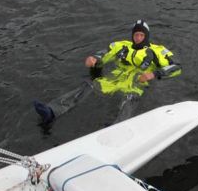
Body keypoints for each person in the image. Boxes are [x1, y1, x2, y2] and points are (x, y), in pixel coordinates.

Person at [34, 20, 181, 125]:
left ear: (146, 36)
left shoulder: (157, 50)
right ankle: (52, 111)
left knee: (129, 100)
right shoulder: (122, 45)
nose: (138, 38)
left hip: (136, 82)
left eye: (141, 35)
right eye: (136, 35)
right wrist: (94, 60)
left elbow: (176, 68)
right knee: (90, 85)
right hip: (114, 78)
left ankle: (116, 129)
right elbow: (105, 53)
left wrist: (154, 74)